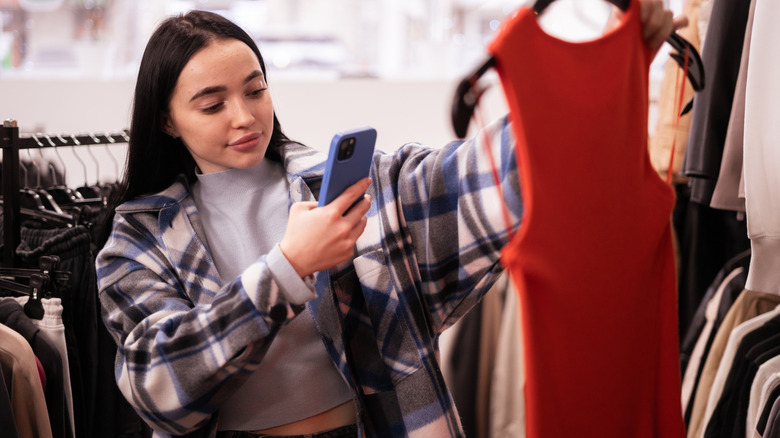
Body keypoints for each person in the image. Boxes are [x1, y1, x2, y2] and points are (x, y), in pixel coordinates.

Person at [95, 3, 684, 437]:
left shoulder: (350, 188)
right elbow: (159, 384)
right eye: (211, 103)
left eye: (256, 90)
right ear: (168, 120)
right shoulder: (139, 241)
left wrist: (608, 73)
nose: (244, 116)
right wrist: (287, 268)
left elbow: (479, 173)